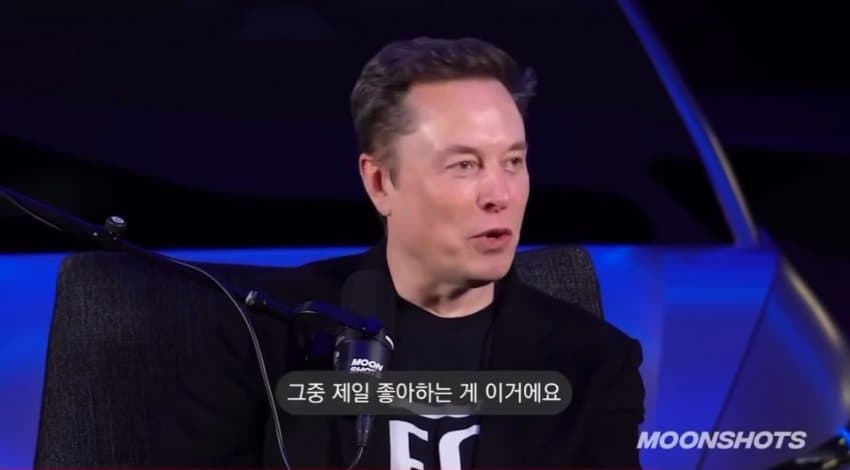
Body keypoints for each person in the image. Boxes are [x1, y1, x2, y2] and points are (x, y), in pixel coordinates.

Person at [151, 36, 645, 469]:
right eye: (464, 165)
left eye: (513, 161)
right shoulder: (264, 333)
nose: (501, 194)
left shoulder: (594, 362)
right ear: (381, 182)